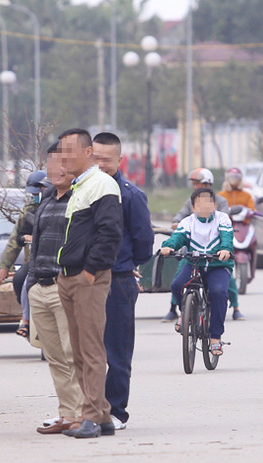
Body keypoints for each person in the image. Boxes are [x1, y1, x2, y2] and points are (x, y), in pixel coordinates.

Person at [55, 128, 122, 439]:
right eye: (60, 151)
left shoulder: (102, 185)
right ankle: (103, 416)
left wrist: (90, 273)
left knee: (91, 350)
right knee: (80, 351)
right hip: (69, 277)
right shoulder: (79, 186)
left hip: (87, 279)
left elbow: (110, 234)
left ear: (87, 153)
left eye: (69, 150)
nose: (63, 157)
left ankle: (91, 417)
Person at [91, 132, 153, 431]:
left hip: (118, 282)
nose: (101, 165)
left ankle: (116, 410)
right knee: (86, 350)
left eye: (107, 160)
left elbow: (144, 241)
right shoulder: (83, 192)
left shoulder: (130, 195)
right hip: (85, 282)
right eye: (96, 158)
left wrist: (128, 264)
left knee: (117, 351)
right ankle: (88, 408)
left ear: (120, 160)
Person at [27, 142, 83, 434]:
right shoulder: (46, 197)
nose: (56, 170)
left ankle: (81, 414)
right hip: (41, 287)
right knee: (55, 357)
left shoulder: (81, 198)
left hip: (66, 286)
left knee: (73, 353)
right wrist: (33, 281)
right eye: (51, 164)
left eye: (62, 164)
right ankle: (66, 413)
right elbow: (35, 243)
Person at [160, 188, 234, 356]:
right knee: (176, 285)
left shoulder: (222, 219)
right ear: (193, 207)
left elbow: (227, 237)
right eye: (200, 203)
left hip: (217, 265)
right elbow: (178, 237)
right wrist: (169, 246)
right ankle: (184, 314)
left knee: (219, 292)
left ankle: (215, 337)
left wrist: (225, 250)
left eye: (208, 202)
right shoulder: (188, 222)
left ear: (214, 204)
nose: (205, 206)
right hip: (194, 264)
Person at [163, 168, 229, 322]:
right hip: (193, 255)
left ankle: (236, 307)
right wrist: (175, 224)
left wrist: (225, 249)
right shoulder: (189, 212)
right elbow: (180, 224)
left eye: (199, 183)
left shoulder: (222, 205)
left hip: (215, 257)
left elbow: (226, 230)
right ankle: (180, 312)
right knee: (178, 281)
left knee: (224, 286)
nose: (197, 187)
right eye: (195, 184)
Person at [0, 171, 51, 339]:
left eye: (38, 193)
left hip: (55, 258)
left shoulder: (57, 204)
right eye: (33, 194)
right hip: (34, 259)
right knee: (21, 279)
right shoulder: (29, 210)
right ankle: (27, 317)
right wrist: (5, 266)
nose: (36, 196)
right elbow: (16, 238)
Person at [218, 167, 255, 321]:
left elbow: (252, 209)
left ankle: (235, 306)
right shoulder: (220, 196)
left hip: (241, 226)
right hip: (223, 231)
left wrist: (249, 212)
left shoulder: (246, 195)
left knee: (226, 272)